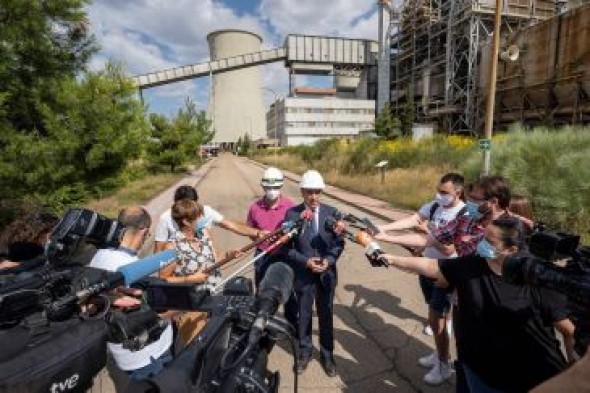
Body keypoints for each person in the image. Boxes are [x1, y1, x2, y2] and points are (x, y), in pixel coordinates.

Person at [379, 217, 575, 392]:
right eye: (483, 238)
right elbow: (432, 266)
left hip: (527, 378)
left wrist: (574, 373)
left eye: (489, 242)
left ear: (511, 249)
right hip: (478, 370)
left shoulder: (537, 276)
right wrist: (390, 258)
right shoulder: (473, 263)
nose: (481, 244)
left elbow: (568, 330)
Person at [375, 173, 467, 385]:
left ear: (458, 192)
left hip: (445, 272)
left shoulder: (463, 214)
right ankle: (438, 353)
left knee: (438, 319)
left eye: (444, 192)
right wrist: (385, 228)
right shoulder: (435, 205)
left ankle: (444, 366)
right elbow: (415, 219)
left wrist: (429, 233)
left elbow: (449, 247)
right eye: (438, 190)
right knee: (433, 317)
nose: (439, 195)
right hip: (425, 267)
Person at [89, 207, 173, 391]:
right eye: (148, 234)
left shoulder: (97, 257)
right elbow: (160, 308)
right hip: (148, 353)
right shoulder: (132, 267)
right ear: (143, 231)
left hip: (123, 352)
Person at [283, 170, 345, 377]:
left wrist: (328, 261)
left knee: (326, 314)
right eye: (309, 192)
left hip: (326, 275)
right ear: (301, 191)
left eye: (317, 192)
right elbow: (287, 248)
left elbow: (338, 244)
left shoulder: (333, 213)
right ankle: (305, 351)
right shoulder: (292, 215)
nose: (314, 196)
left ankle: (327, 355)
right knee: (304, 314)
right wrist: (305, 261)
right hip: (304, 274)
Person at [153, 185, 262, 253]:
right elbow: (159, 251)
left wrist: (257, 233)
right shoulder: (165, 218)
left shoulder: (207, 211)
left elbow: (230, 225)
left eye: (192, 207)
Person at [246, 167, 295, 289]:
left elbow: (297, 230)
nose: (272, 190)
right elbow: (249, 230)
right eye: (268, 188)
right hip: (262, 254)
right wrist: (259, 236)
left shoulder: (290, 206)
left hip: (285, 254)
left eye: (275, 188)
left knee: (287, 290)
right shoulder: (255, 208)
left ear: (281, 186)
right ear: (263, 187)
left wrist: (286, 237)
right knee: (262, 289)